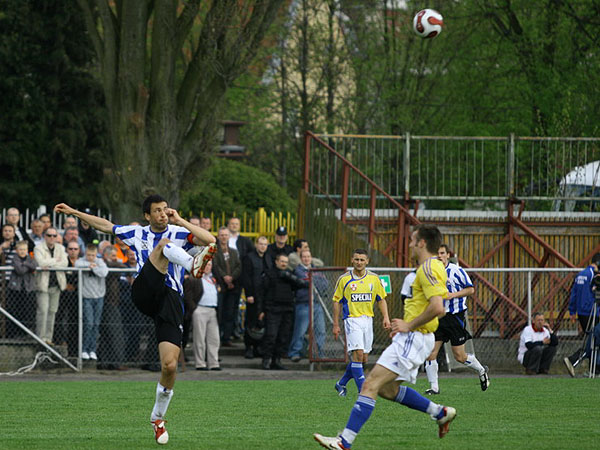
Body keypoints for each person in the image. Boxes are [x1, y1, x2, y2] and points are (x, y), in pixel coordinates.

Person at [54, 195, 216, 445]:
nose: (163, 214)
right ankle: (193, 265)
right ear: (147, 216)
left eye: (165, 210)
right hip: (145, 291)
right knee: (163, 245)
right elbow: (106, 225)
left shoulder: (179, 230)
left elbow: (210, 240)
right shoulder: (136, 232)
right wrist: (75, 212)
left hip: (170, 299)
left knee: (169, 366)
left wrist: (181, 220)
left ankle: (158, 418)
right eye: (157, 211)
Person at [314, 225, 457, 450]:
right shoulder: (429, 267)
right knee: (386, 389)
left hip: (414, 336)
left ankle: (344, 442)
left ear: (421, 243)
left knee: (369, 384)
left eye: (412, 240)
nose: (409, 244)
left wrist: (408, 324)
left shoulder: (428, 267)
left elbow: (438, 307)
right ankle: (439, 412)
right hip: (415, 337)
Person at [423, 244, 489, 395]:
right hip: (437, 317)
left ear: (447, 255)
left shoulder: (456, 271)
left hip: (454, 317)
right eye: (437, 253)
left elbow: (470, 289)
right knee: (431, 352)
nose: (439, 256)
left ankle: (481, 369)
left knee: (459, 356)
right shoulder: (430, 272)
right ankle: (434, 388)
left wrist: (453, 295)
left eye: (442, 253)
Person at [332, 249, 391, 397]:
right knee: (357, 354)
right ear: (352, 260)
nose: (359, 262)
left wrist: (386, 317)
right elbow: (337, 301)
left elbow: (381, 299)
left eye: (362, 260)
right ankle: (363, 392)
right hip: (352, 319)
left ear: (367, 261)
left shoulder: (374, 279)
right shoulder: (344, 279)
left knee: (363, 358)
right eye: (356, 259)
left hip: (367, 320)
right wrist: (336, 324)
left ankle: (341, 384)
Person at [259, 253, 307, 370]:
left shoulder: (289, 275)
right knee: (271, 335)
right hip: (272, 309)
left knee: (283, 336)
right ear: (276, 261)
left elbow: (301, 284)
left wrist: (289, 277)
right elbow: (261, 293)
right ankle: (266, 360)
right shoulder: (269, 274)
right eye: (282, 261)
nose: (284, 264)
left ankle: (277, 360)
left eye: (286, 262)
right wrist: (261, 310)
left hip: (287, 309)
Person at [564, 253, 600, 376]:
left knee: (593, 340)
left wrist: (572, 310)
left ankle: (593, 370)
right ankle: (574, 360)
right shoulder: (592, 275)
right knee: (594, 341)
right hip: (593, 312)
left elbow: (574, 293)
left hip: (582, 312)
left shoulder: (581, 274)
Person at [288, 249, 328, 362]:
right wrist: (312, 281)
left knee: (320, 330)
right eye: (304, 257)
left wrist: (311, 281)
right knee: (300, 330)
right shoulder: (297, 270)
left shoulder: (317, 270)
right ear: (301, 258)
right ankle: (295, 352)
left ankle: (318, 353)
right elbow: (304, 281)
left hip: (317, 303)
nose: (307, 259)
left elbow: (325, 284)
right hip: (304, 303)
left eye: (308, 256)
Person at [184, 260, 221, 370]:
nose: (208, 267)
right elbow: (188, 296)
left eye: (210, 265)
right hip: (200, 309)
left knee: (214, 339)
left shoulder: (213, 279)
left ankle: (213, 363)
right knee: (199, 338)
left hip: (213, 310)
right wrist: (194, 309)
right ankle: (200, 363)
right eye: (206, 265)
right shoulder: (194, 278)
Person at [34, 227, 68, 345]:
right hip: (43, 285)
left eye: (54, 236)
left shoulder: (61, 248)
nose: (52, 238)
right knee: (43, 311)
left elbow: (65, 263)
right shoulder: (38, 247)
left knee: (52, 312)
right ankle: (40, 338)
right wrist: (55, 261)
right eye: (49, 235)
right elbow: (40, 263)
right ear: (45, 236)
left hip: (56, 285)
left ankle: (48, 338)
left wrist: (49, 262)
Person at [75, 243, 109, 361]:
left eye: (93, 255)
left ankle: (92, 350)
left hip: (99, 296)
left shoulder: (99, 261)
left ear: (96, 254)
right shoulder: (82, 260)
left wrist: (93, 267)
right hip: (86, 296)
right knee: (88, 323)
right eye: (89, 255)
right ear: (86, 253)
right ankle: (84, 349)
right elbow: (77, 264)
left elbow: (104, 272)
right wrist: (89, 265)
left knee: (96, 324)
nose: (90, 257)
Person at [241, 235, 272, 359]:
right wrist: (249, 294)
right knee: (251, 321)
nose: (263, 246)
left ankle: (259, 347)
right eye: (261, 244)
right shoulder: (249, 258)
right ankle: (249, 347)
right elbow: (246, 277)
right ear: (256, 244)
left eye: (265, 244)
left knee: (262, 322)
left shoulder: (268, 258)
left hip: (265, 295)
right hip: (253, 295)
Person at [212, 226, 242, 347]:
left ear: (229, 237)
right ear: (218, 237)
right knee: (219, 313)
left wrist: (231, 277)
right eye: (222, 235)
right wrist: (224, 277)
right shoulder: (214, 251)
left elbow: (239, 266)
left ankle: (227, 337)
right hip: (220, 286)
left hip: (232, 287)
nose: (224, 237)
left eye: (226, 235)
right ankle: (217, 336)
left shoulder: (234, 252)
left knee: (230, 313)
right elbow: (215, 266)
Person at [7, 241, 38, 337]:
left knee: (28, 311)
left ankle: (26, 333)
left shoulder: (30, 258)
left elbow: (35, 266)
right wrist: (28, 265)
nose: (22, 251)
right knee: (16, 310)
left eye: (24, 249)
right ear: (17, 250)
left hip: (28, 288)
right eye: (20, 249)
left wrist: (24, 263)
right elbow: (20, 271)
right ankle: (15, 333)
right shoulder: (15, 258)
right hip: (16, 289)